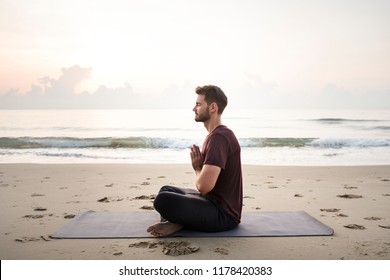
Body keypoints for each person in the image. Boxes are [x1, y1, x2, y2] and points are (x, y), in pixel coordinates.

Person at [147, 85, 243, 237]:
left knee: (163, 200)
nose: (194, 108)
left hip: (223, 215)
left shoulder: (219, 138)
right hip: (211, 202)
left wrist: (197, 168)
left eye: (198, 104)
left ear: (212, 107)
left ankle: (177, 223)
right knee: (166, 190)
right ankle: (177, 222)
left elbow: (204, 187)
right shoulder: (217, 134)